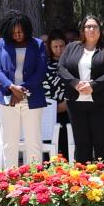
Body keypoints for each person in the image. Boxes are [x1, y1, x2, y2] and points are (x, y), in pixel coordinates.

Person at [58, 14, 104, 163]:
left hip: (102, 104)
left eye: (95, 26)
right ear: (83, 30)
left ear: (100, 30)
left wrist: (93, 86)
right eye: (88, 26)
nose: (91, 29)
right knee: (81, 143)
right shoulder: (72, 47)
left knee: (102, 142)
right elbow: (61, 67)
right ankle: (82, 180)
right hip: (76, 103)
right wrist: (75, 83)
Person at [0, 12, 48, 169]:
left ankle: (35, 180)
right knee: (9, 142)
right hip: (7, 98)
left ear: (27, 29)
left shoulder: (37, 44)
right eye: (14, 32)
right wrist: (12, 87)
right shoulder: (1, 43)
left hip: (32, 98)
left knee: (33, 142)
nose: (17, 35)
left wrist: (21, 90)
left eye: (20, 31)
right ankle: (9, 180)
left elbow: (41, 72)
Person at [44, 29, 69, 158]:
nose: (59, 49)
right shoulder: (44, 65)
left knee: (66, 147)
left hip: (67, 110)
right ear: (50, 47)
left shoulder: (72, 65)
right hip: (48, 112)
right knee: (48, 148)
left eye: (61, 46)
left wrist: (67, 103)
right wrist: (52, 108)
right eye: (55, 46)